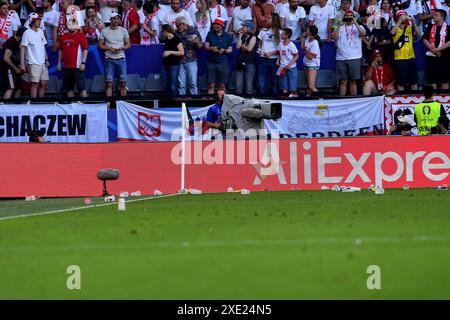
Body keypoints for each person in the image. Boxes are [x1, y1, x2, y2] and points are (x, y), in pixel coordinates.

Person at [333, 10, 366, 96]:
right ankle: (342, 102)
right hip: (341, 57)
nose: (348, 17)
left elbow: (363, 34)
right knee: (343, 81)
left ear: (354, 17)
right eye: (347, 15)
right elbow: (334, 37)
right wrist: (339, 25)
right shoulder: (341, 27)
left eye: (351, 15)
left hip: (355, 57)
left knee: (353, 81)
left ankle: (353, 101)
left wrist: (355, 22)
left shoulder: (359, 26)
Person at [98, 13, 131, 97]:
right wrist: (109, 48)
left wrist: (122, 48)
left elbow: (128, 44)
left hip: (121, 58)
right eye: (114, 18)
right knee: (109, 84)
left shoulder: (123, 30)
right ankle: (109, 105)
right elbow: (100, 45)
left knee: (123, 83)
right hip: (109, 59)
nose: (116, 20)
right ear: (110, 20)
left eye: (117, 18)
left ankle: (124, 105)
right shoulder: (104, 31)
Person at [20, 12, 49, 99]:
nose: (40, 21)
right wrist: (22, 64)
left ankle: (40, 103)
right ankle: (34, 104)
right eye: (38, 20)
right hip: (33, 62)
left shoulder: (40, 31)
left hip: (43, 62)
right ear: (33, 21)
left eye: (40, 20)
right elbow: (22, 48)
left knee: (44, 83)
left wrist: (46, 59)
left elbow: (43, 47)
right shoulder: (27, 33)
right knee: (35, 84)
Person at [57, 16, 89, 97]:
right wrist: (59, 63)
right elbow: (61, 50)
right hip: (67, 67)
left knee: (81, 87)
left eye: (73, 24)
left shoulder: (81, 36)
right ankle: (71, 107)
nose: (71, 25)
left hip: (78, 67)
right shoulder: (63, 36)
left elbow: (85, 50)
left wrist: (83, 63)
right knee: (69, 88)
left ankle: (85, 107)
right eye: (70, 23)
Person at [391, 10, 420, 92]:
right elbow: (392, 32)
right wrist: (399, 21)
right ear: (397, 17)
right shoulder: (395, 27)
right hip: (400, 58)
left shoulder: (409, 28)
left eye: (405, 15)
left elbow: (418, 35)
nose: (404, 17)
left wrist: (414, 23)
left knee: (414, 81)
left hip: (411, 57)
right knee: (401, 82)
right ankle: (401, 99)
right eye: (401, 16)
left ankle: (415, 98)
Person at [422, 9, 450, 89]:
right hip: (431, 57)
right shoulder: (430, 27)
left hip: (445, 57)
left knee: (445, 80)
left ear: (442, 17)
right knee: (432, 80)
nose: (433, 16)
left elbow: (449, 42)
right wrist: (433, 50)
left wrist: (438, 50)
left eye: (436, 15)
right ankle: (433, 99)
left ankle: (444, 100)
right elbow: (425, 39)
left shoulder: (448, 28)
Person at [205, 18, 232, 94]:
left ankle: (222, 103)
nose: (215, 26)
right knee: (211, 85)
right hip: (211, 63)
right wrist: (212, 48)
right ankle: (210, 103)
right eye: (214, 24)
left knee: (222, 86)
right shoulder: (210, 34)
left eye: (217, 24)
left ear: (222, 26)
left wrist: (224, 50)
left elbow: (230, 49)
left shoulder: (226, 35)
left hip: (223, 63)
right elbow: (206, 46)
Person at [175, 16, 201, 96]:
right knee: (181, 84)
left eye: (178, 25)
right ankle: (181, 102)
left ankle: (195, 102)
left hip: (191, 60)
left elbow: (200, 46)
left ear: (183, 24)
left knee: (192, 82)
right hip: (180, 60)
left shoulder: (193, 31)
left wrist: (197, 42)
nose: (177, 27)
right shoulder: (176, 33)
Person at [257, 12, 281, 95]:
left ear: (274, 20)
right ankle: (262, 96)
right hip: (263, 59)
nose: (267, 19)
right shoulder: (263, 30)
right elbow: (260, 43)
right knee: (261, 79)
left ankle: (274, 97)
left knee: (274, 79)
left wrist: (271, 53)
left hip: (274, 59)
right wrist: (259, 50)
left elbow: (282, 48)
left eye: (269, 18)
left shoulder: (280, 32)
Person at [2, 27, 26, 99]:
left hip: (16, 68)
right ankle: (3, 107)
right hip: (8, 68)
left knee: (19, 88)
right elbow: (6, 58)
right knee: (11, 87)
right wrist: (15, 68)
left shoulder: (18, 42)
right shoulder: (11, 41)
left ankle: (16, 107)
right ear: (23, 35)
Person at [160, 24, 184, 96]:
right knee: (164, 85)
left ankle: (175, 104)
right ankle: (165, 103)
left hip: (174, 65)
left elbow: (182, 52)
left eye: (162, 31)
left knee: (173, 86)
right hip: (165, 64)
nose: (161, 32)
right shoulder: (166, 39)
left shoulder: (176, 39)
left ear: (166, 31)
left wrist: (170, 52)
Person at [235, 19, 257, 95]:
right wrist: (240, 36)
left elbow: (249, 49)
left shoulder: (253, 37)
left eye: (244, 26)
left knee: (249, 86)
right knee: (238, 86)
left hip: (250, 63)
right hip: (240, 62)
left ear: (249, 28)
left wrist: (243, 46)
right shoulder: (242, 36)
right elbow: (238, 46)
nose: (242, 28)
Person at [276, 27, 299, 97]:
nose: (281, 35)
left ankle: (293, 95)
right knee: (283, 84)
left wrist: (289, 64)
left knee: (292, 83)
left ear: (287, 36)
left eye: (282, 33)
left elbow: (296, 56)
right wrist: (277, 60)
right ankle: (284, 95)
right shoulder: (280, 44)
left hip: (291, 67)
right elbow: (279, 53)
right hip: (283, 67)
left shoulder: (291, 45)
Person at [301, 25, 321, 97]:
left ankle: (319, 99)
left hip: (313, 65)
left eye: (307, 30)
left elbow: (310, 57)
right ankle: (309, 97)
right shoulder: (307, 39)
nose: (306, 31)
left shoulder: (315, 43)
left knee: (311, 86)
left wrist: (305, 52)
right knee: (308, 86)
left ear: (310, 32)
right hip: (306, 64)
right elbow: (303, 49)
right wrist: (302, 40)